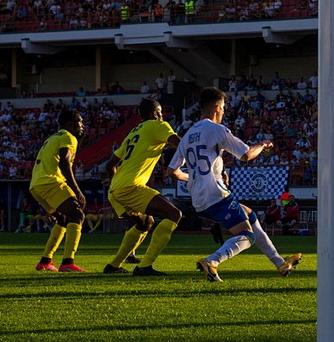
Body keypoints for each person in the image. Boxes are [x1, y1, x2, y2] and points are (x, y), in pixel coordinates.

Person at [167, 87, 302, 282]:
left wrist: (195, 178)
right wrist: (263, 146)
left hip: (198, 197)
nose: (223, 111)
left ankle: (279, 262)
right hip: (215, 194)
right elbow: (246, 155)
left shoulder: (187, 135)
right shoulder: (216, 129)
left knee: (248, 213)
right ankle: (212, 261)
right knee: (248, 236)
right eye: (223, 107)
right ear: (216, 107)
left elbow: (172, 171)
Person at [104, 98, 182, 276]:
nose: (162, 116)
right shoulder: (159, 126)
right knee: (174, 214)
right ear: (155, 114)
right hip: (130, 186)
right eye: (160, 113)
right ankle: (144, 266)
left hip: (115, 188)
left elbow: (109, 165)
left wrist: (116, 184)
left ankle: (114, 266)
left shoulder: (132, 133)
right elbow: (181, 144)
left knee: (145, 222)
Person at [28, 109, 87, 272]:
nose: (82, 126)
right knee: (77, 214)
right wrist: (76, 190)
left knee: (62, 218)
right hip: (50, 182)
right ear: (69, 124)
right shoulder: (68, 137)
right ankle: (68, 263)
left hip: (36, 185)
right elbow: (64, 162)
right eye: (79, 122)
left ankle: (45, 261)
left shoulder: (52, 138)